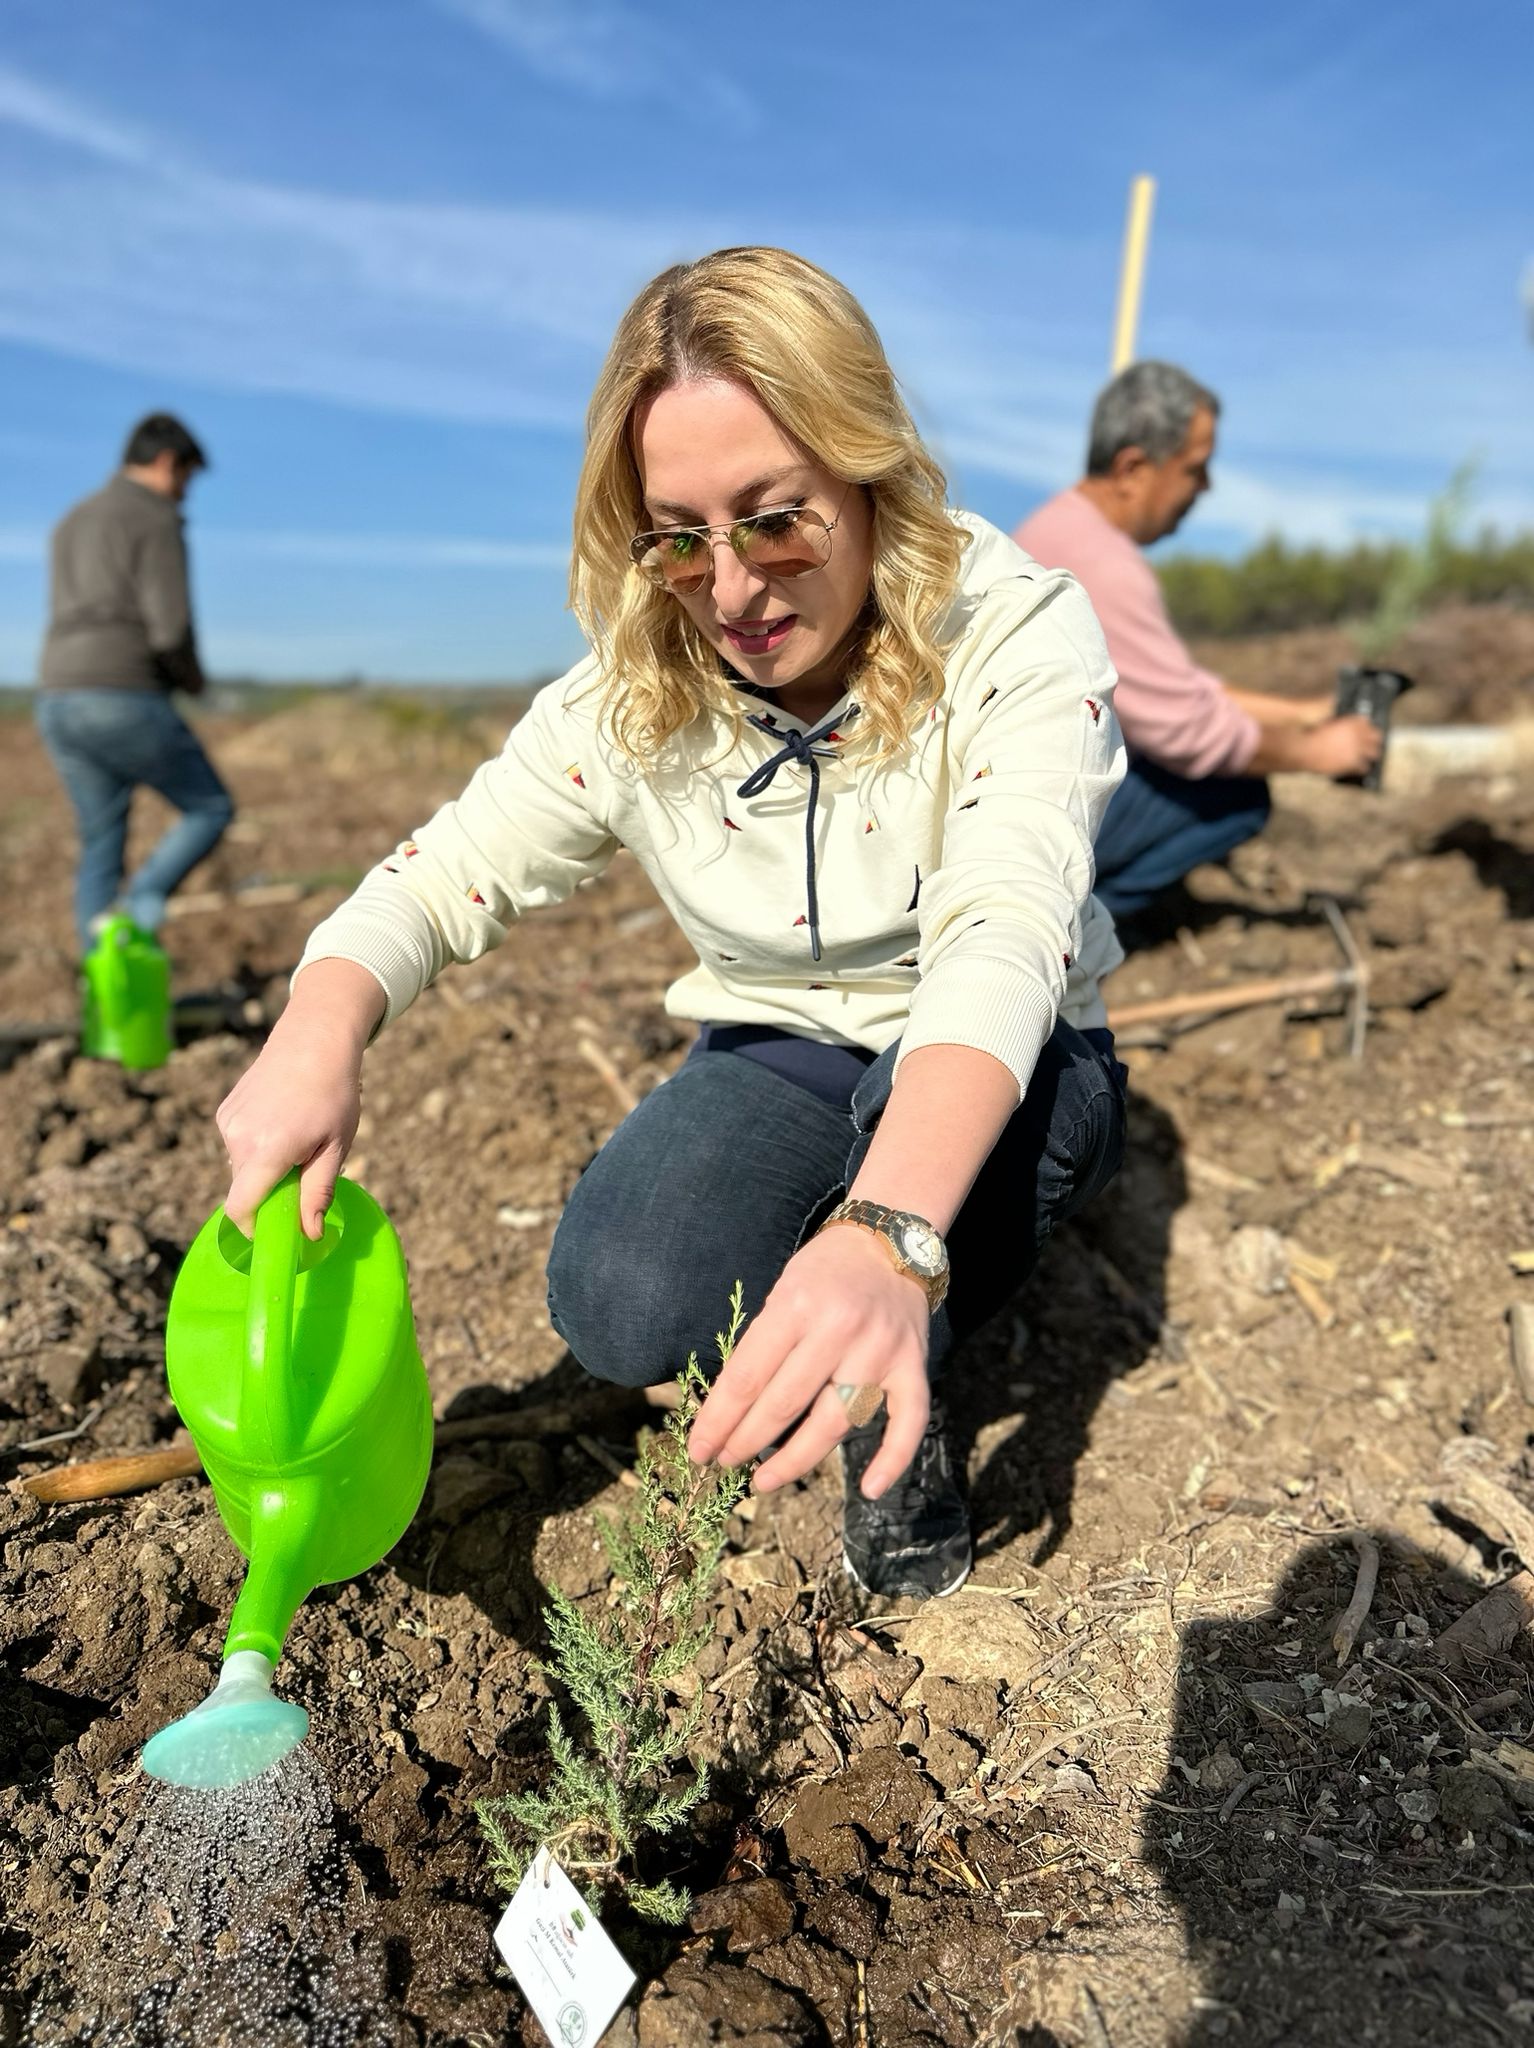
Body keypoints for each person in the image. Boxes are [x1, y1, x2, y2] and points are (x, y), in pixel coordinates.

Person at [216, 247, 1129, 1602]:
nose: (734, 588)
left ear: (867, 475)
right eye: (677, 535)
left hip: (1009, 1054)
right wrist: (317, 1025)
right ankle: (833, 1249)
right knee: (622, 1302)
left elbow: (1001, 933)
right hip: (788, 1047)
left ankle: (898, 1362)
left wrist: (887, 1237)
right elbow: (439, 872)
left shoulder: (1010, 635)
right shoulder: (632, 694)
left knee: (931, 1198)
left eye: (775, 519)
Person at [1015, 363, 1381, 928]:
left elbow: (1174, 690)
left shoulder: (1059, 530)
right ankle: (1083, 929)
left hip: (1009, 798)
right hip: (1026, 830)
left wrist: (1303, 713)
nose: (1205, 487)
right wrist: (1318, 752)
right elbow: (1189, 732)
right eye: (1195, 468)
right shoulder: (1105, 567)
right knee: (1235, 796)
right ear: (1133, 467)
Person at [36, 412, 235, 946]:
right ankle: (139, 907)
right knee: (210, 807)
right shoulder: (154, 517)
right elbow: (170, 626)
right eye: (186, 479)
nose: (184, 495)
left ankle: (102, 986)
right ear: (168, 462)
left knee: (100, 840)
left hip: (57, 697)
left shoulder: (73, 518)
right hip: (122, 692)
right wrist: (194, 682)